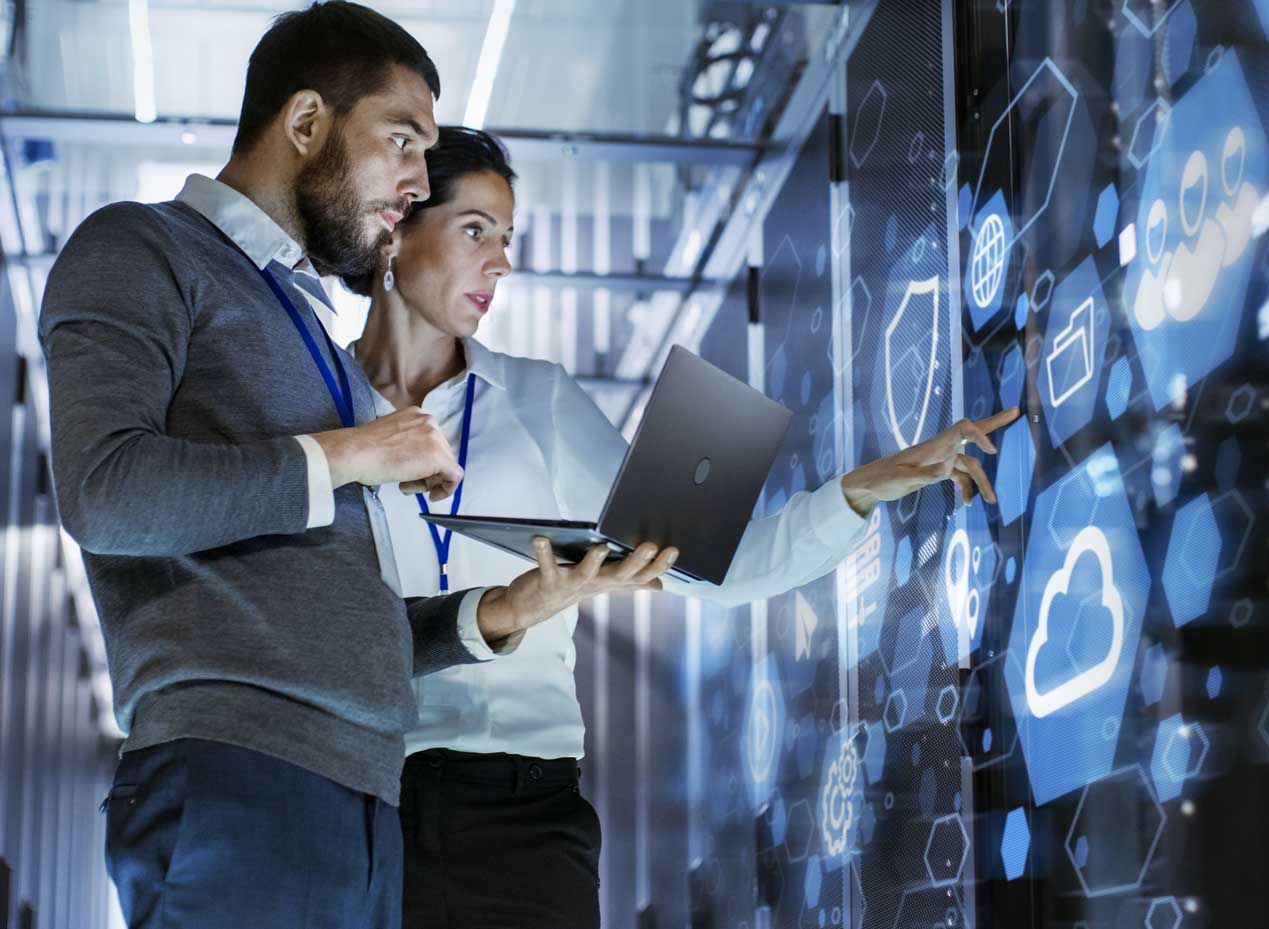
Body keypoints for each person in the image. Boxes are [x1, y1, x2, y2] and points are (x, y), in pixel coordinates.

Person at [39, 6, 672, 928]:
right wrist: (355, 452)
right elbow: (105, 491)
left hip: (364, 803)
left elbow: (343, 617)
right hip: (238, 774)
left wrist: (504, 613)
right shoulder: (141, 248)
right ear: (305, 124)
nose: (416, 181)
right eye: (402, 141)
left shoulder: (317, 345)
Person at [346, 126, 1020, 928]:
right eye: (474, 230)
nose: (501, 262)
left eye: (508, 238)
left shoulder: (539, 401)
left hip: (523, 811)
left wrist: (863, 489)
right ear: (397, 229)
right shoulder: (320, 409)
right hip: (363, 800)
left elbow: (715, 567)